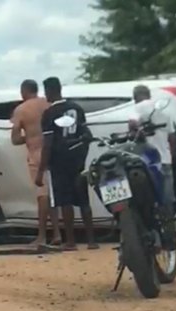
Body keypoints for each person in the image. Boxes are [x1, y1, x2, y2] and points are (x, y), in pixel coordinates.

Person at [35, 77, 99, 250]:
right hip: (77, 161)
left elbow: (47, 144)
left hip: (58, 162)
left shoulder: (49, 114)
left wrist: (41, 171)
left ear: (49, 91)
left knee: (65, 201)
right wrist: (81, 156)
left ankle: (71, 241)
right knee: (83, 201)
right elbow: (87, 135)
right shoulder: (77, 108)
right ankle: (92, 241)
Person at [11, 79, 61, 246]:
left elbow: (15, 139)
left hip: (37, 153)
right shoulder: (48, 104)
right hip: (54, 151)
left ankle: (41, 235)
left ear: (23, 91)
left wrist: (30, 137)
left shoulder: (21, 110)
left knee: (42, 196)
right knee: (52, 194)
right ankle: (57, 233)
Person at [133, 85, 176, 248]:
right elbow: (172, 138)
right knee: (166, 202)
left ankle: (153, 239)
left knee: (147, 201)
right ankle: (170, 239)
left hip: (145, 163)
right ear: (149, 95)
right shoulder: (165, 112)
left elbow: (132, 130)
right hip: (164, 162)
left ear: (135, 97)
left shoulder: (136, 110)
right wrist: (169, 155)